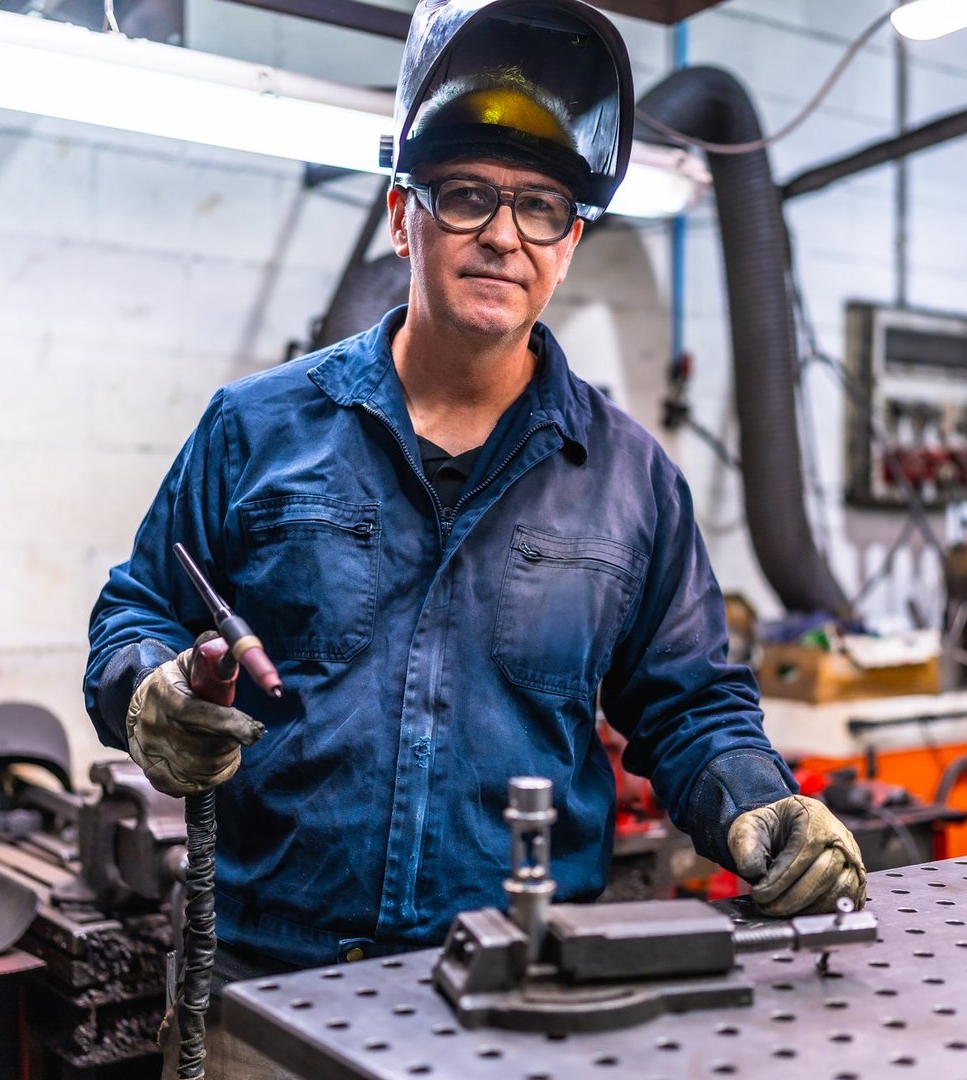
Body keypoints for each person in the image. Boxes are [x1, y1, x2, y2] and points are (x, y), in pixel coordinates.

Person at [85, 0, 864, 991]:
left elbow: (692, 706)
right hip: (269, 982)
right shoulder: (255, 429)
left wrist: (757, 802)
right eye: (467, 197)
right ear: (402, 214)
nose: (505, 235)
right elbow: (138, 607)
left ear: (570, 244)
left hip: (524, 992)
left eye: (540, 207)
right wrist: (148, 690)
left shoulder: (631, 483)